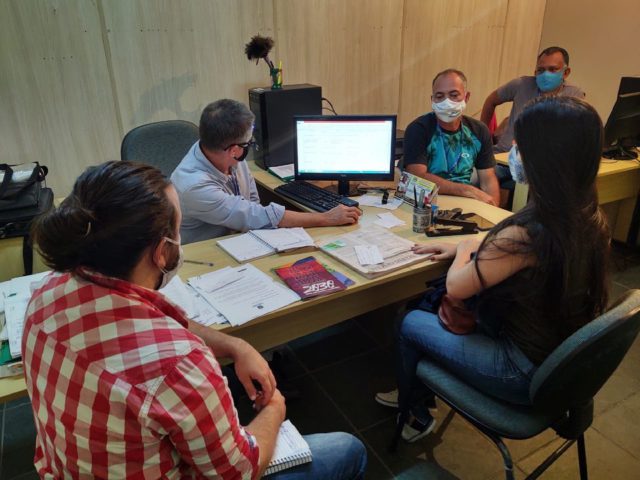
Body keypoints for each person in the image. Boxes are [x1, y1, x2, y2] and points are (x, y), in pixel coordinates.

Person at [23, 161, 367, 478]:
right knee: (347, 449)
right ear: (162, 252)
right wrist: (275, 407)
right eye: (178, 230)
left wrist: (235, 345)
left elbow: (158, 317)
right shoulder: (180, 363)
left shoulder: (45, 295)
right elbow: (240, 470)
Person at [378, 96, 610, 442]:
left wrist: (465, 248)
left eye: (520, 144)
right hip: (559, 366)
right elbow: (514, 254)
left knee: (409, 320)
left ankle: (415, 412)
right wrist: (477, 245)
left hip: (518, 373)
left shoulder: (528, 233)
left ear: (544, 158)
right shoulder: (589, 217)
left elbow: (457, 286)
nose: (513, 150)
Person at [172, 99, 361, 244]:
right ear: (234, 150)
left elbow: (253, 202)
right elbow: (254, 215)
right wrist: (325, 218)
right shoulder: (193, 186)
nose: (251, 145)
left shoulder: (226, 153)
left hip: (239, 241)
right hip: (206, 255)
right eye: (249, 142)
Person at [402, 69, 500, 206]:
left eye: (454, 95)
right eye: (439, 96)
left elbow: (488, 180)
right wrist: (468, 190)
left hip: (464, 204)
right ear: (432, 100)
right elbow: (418, 178)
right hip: (425, 202)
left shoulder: (479, 131)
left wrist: (493, 209)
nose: (446, 102)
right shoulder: (419, 129)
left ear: (466, 97)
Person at [481, 46, 585, 154]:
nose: (546, 74)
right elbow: (491, 101)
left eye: (552, 69)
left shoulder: (574, 95)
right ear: (535, 72)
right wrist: (482, 137)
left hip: (542, 159)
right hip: (504, 154)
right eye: (541, 70)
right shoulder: (521, 85)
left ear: (566, 72)